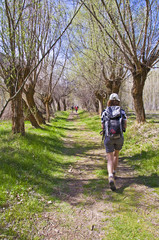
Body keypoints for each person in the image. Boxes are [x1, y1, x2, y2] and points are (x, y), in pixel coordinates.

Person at [101, 93, 127, 191]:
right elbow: (125, 125)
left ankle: (110, 175)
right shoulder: (122, 111)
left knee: (109, 157)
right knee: (116, 154)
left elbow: (103, 126)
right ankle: (114, 172)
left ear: (109, 101)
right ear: (118, 101)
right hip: (119, 136)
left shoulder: (105, 111)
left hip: (108, 137)